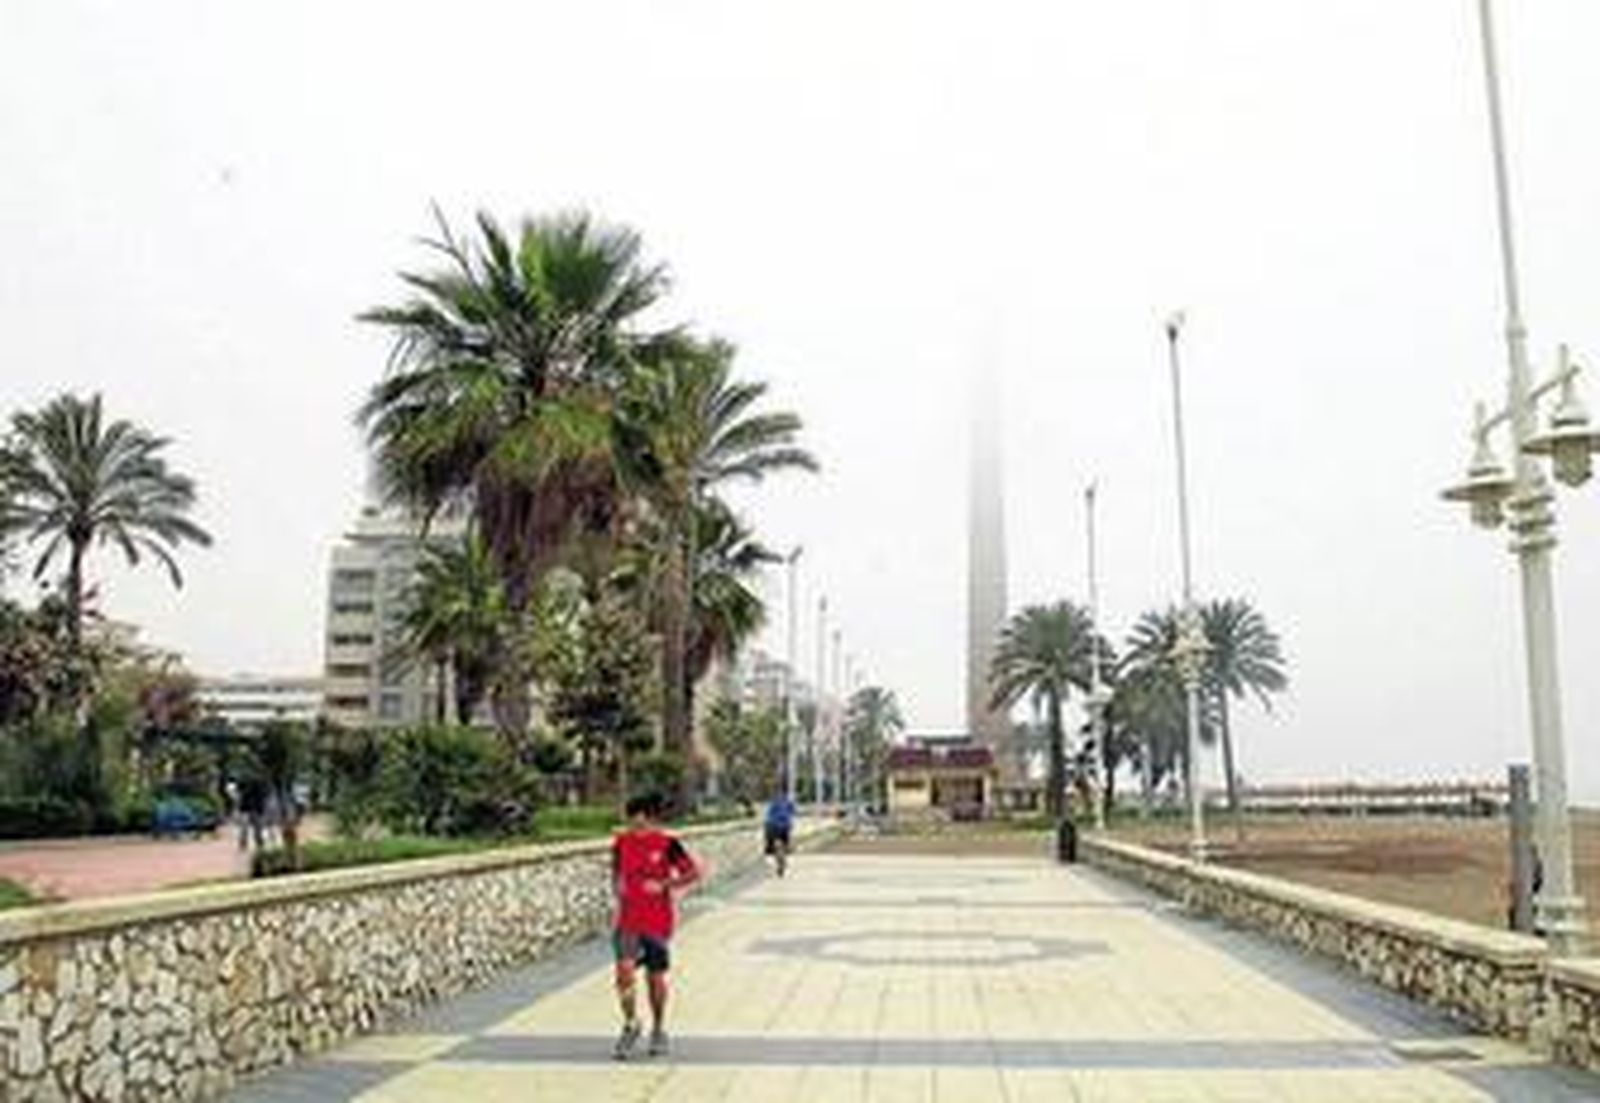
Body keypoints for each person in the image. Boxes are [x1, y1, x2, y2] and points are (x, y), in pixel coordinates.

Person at [611, 792, 700, 1060]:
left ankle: (659, 1029)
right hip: (627, 920)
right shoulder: (621, 843)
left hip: (657, 922)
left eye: (636, 817)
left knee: (655, 978)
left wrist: (663, 885)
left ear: (648, 817)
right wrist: (618, 886)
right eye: (629, 818)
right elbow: (616, 872)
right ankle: (630, 1024)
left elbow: (693, 873)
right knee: (624, 973)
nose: (632, 823)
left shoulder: (668, 844)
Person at [763, 791, 797, 877]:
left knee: (769, 848)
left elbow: (768, 816)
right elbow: (793, 814)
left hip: (773, 826)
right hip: (784, 827)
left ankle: (772, 864)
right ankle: (783, 857)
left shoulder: (773, 803)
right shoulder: (789, 803)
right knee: (785, 845)